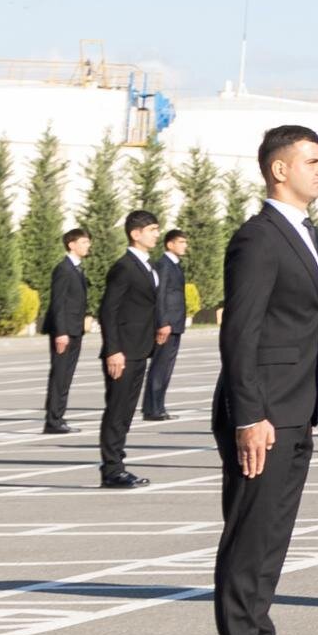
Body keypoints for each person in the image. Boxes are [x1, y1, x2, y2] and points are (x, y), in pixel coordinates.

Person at [213, 127, 318, 635]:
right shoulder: (258, 238)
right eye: (312, 161)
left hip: (293, 408)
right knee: (249, 538)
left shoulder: (308, 234)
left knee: (271, 540)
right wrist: (248, 413)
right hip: (262, 413)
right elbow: (240, 332)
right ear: (279, 170)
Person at [95, 209, 167, 489]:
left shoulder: (148, 265)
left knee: (125, 411)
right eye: (152, 230)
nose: (156, 234)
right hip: (123, 352)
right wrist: (113, 350)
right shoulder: (124, 267)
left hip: (139, 349)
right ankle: (112, 469)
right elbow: (108, 311)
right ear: (135, 234)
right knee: (116, 410)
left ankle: (118, 465)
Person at [39, 225, 92, 433]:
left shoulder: (77, 268)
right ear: (72, 245)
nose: (88, 246)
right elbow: (58, 302)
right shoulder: (64, 269)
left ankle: (58, 416)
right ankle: (53, 420)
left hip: (75, 329)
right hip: (65, 331)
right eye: (84, 242)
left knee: (66, 375)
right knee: (60, 375)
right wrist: (61, 332)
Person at [144, 227, 191, 418]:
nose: (184, 246)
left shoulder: (175, 264)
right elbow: (160, 295)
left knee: (167, 368)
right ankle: (152, 408)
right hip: (167, 324)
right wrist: (163, 322)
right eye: (181, 242)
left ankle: (159, 406)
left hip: (175, 323)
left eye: (185, 242)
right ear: (169, 244)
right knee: (159, 367)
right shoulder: (164, 264)